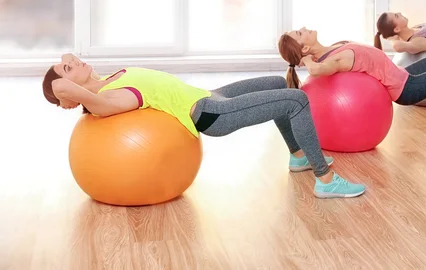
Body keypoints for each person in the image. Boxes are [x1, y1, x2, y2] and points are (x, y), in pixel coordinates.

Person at [41, 53, 365, 199]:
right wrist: (66, 94)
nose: (75, 60)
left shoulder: (110, 79)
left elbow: (70, 75)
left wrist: (70, 73)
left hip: (211, 95)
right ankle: (325, 179)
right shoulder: (113, 96)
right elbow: (74, 95)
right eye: (68, 67)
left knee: (276, 81)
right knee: (295, 99)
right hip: (212, 113)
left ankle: (298, 156)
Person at [278, 28, 426, 150]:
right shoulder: (330, 61)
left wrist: (306, 55)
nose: (304, 27)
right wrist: (305, 60)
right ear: (305, 50)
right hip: (407, 87)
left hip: (403, 74)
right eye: (300, 33)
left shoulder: (333, 48)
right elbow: (317, 72)